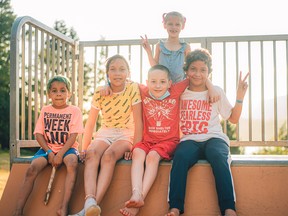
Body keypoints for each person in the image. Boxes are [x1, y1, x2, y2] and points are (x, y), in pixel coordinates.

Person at [119, 64, 218, 216]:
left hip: (168, 141)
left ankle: (139, 200)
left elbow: (194, 76)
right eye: (153, 81)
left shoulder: (175, 91)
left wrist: (211, 87)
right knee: (137, 153)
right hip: (147, 140)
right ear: (147, 82)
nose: (157, 85)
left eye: (162, 82)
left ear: (170, 83)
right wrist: (106, 85)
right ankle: (136, 193)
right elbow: (123, 80)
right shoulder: (143, 91)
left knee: (152, 157)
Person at [166, 48, 249, 216]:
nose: (197, 74)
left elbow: (232, 119)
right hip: (189, 140)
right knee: (180, 157)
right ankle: (175, 208)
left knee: (218, 157)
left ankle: (229, 208)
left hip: (214, 138)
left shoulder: (216, 91)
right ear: (186, 70)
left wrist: (239, 97)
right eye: (193, 69)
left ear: (209, 72)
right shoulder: (181, 93)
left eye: (203, 70)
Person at [72, 54, 143, 216]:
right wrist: (84, 148)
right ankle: (90, 203)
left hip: (126, 133)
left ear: (128, 73)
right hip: (105, 132)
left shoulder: (133, 89)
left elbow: (139, 122)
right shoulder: (100, 92)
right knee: (91, 154)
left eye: (122, 69)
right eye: (113, 69)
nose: (117, 73)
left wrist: (135, 147)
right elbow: (90, 123)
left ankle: (87, 210)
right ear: (107, 73)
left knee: (109, 156)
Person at [13, 75, 84, 216]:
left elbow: (73, 136)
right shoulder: (45, 110)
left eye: (63, 90)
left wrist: (60, 154)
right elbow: (39, 134)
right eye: (54, 90)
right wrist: (50, 153)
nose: (59, 94)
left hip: (67, 149)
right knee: (31, 169)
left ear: (69, 93)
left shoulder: (75, 111)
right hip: (47, 149)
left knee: (72, 163)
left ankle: (63, 207)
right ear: (49, 94)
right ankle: (18, 210)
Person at [141, 11, 191, 84]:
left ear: (182, 26)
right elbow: (155, 66)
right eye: (170, 24)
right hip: (162, 87)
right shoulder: (159, 45)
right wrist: (148, 51)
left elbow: (190, 68)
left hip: (179, 86)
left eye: (177, 24)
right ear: (165, 25)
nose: (174, 27)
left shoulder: (186, 47)